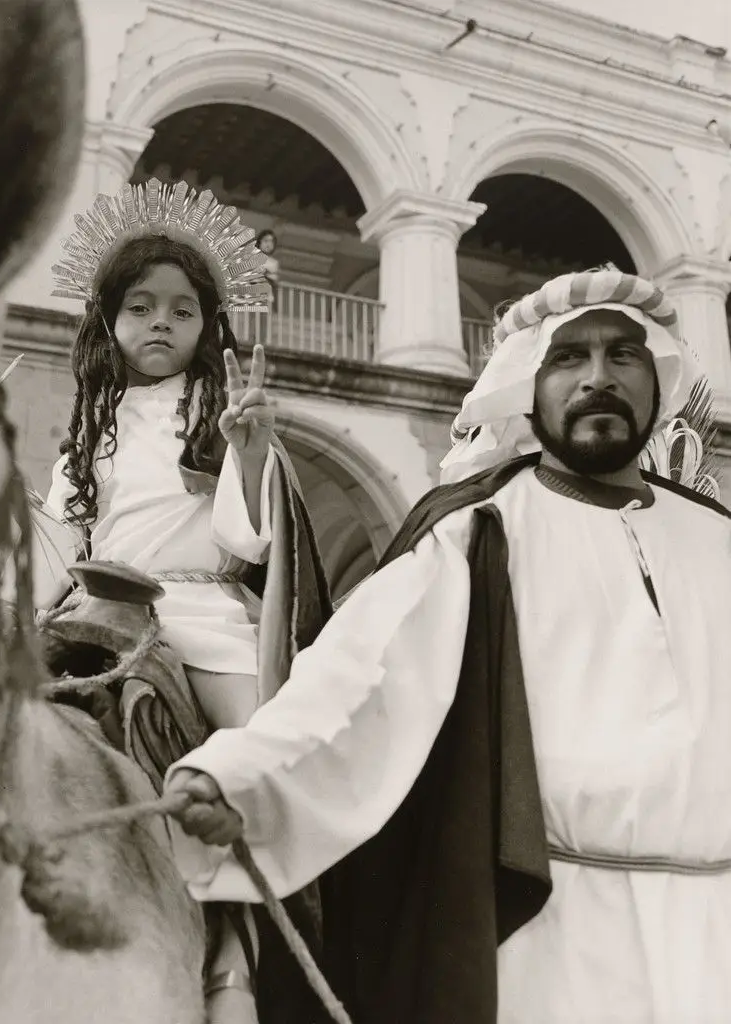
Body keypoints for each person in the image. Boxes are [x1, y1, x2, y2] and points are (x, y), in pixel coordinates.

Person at [164, 267, 731, 1024]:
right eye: (568, 358)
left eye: (622, 356)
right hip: (556, 938)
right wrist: (236, 779)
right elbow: (358, 683)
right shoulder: (475, 532)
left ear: (654, 381)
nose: (597, 377)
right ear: (526, 388)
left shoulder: (718, 539)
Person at [42, 178, 333, 1024]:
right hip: (100, 612)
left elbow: (248, 543)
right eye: (140, 306)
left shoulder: (216, 409)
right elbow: (66, 536)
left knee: (253, 759)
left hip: (203, 617)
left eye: (180, 309)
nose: (159, 322)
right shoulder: (89, 426)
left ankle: (234, 960)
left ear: (209, 327)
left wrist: (251, 448)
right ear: (108, 321)